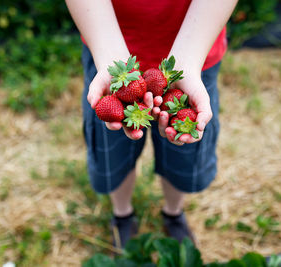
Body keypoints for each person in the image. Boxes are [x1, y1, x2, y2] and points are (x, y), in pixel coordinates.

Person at [65, 0, 238, 249]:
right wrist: (108, 52)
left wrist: (187, 60)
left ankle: (173, 212)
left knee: (182, 151)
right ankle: (122, 214)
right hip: (107, 51)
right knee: (113, 154)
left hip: (196, 54)